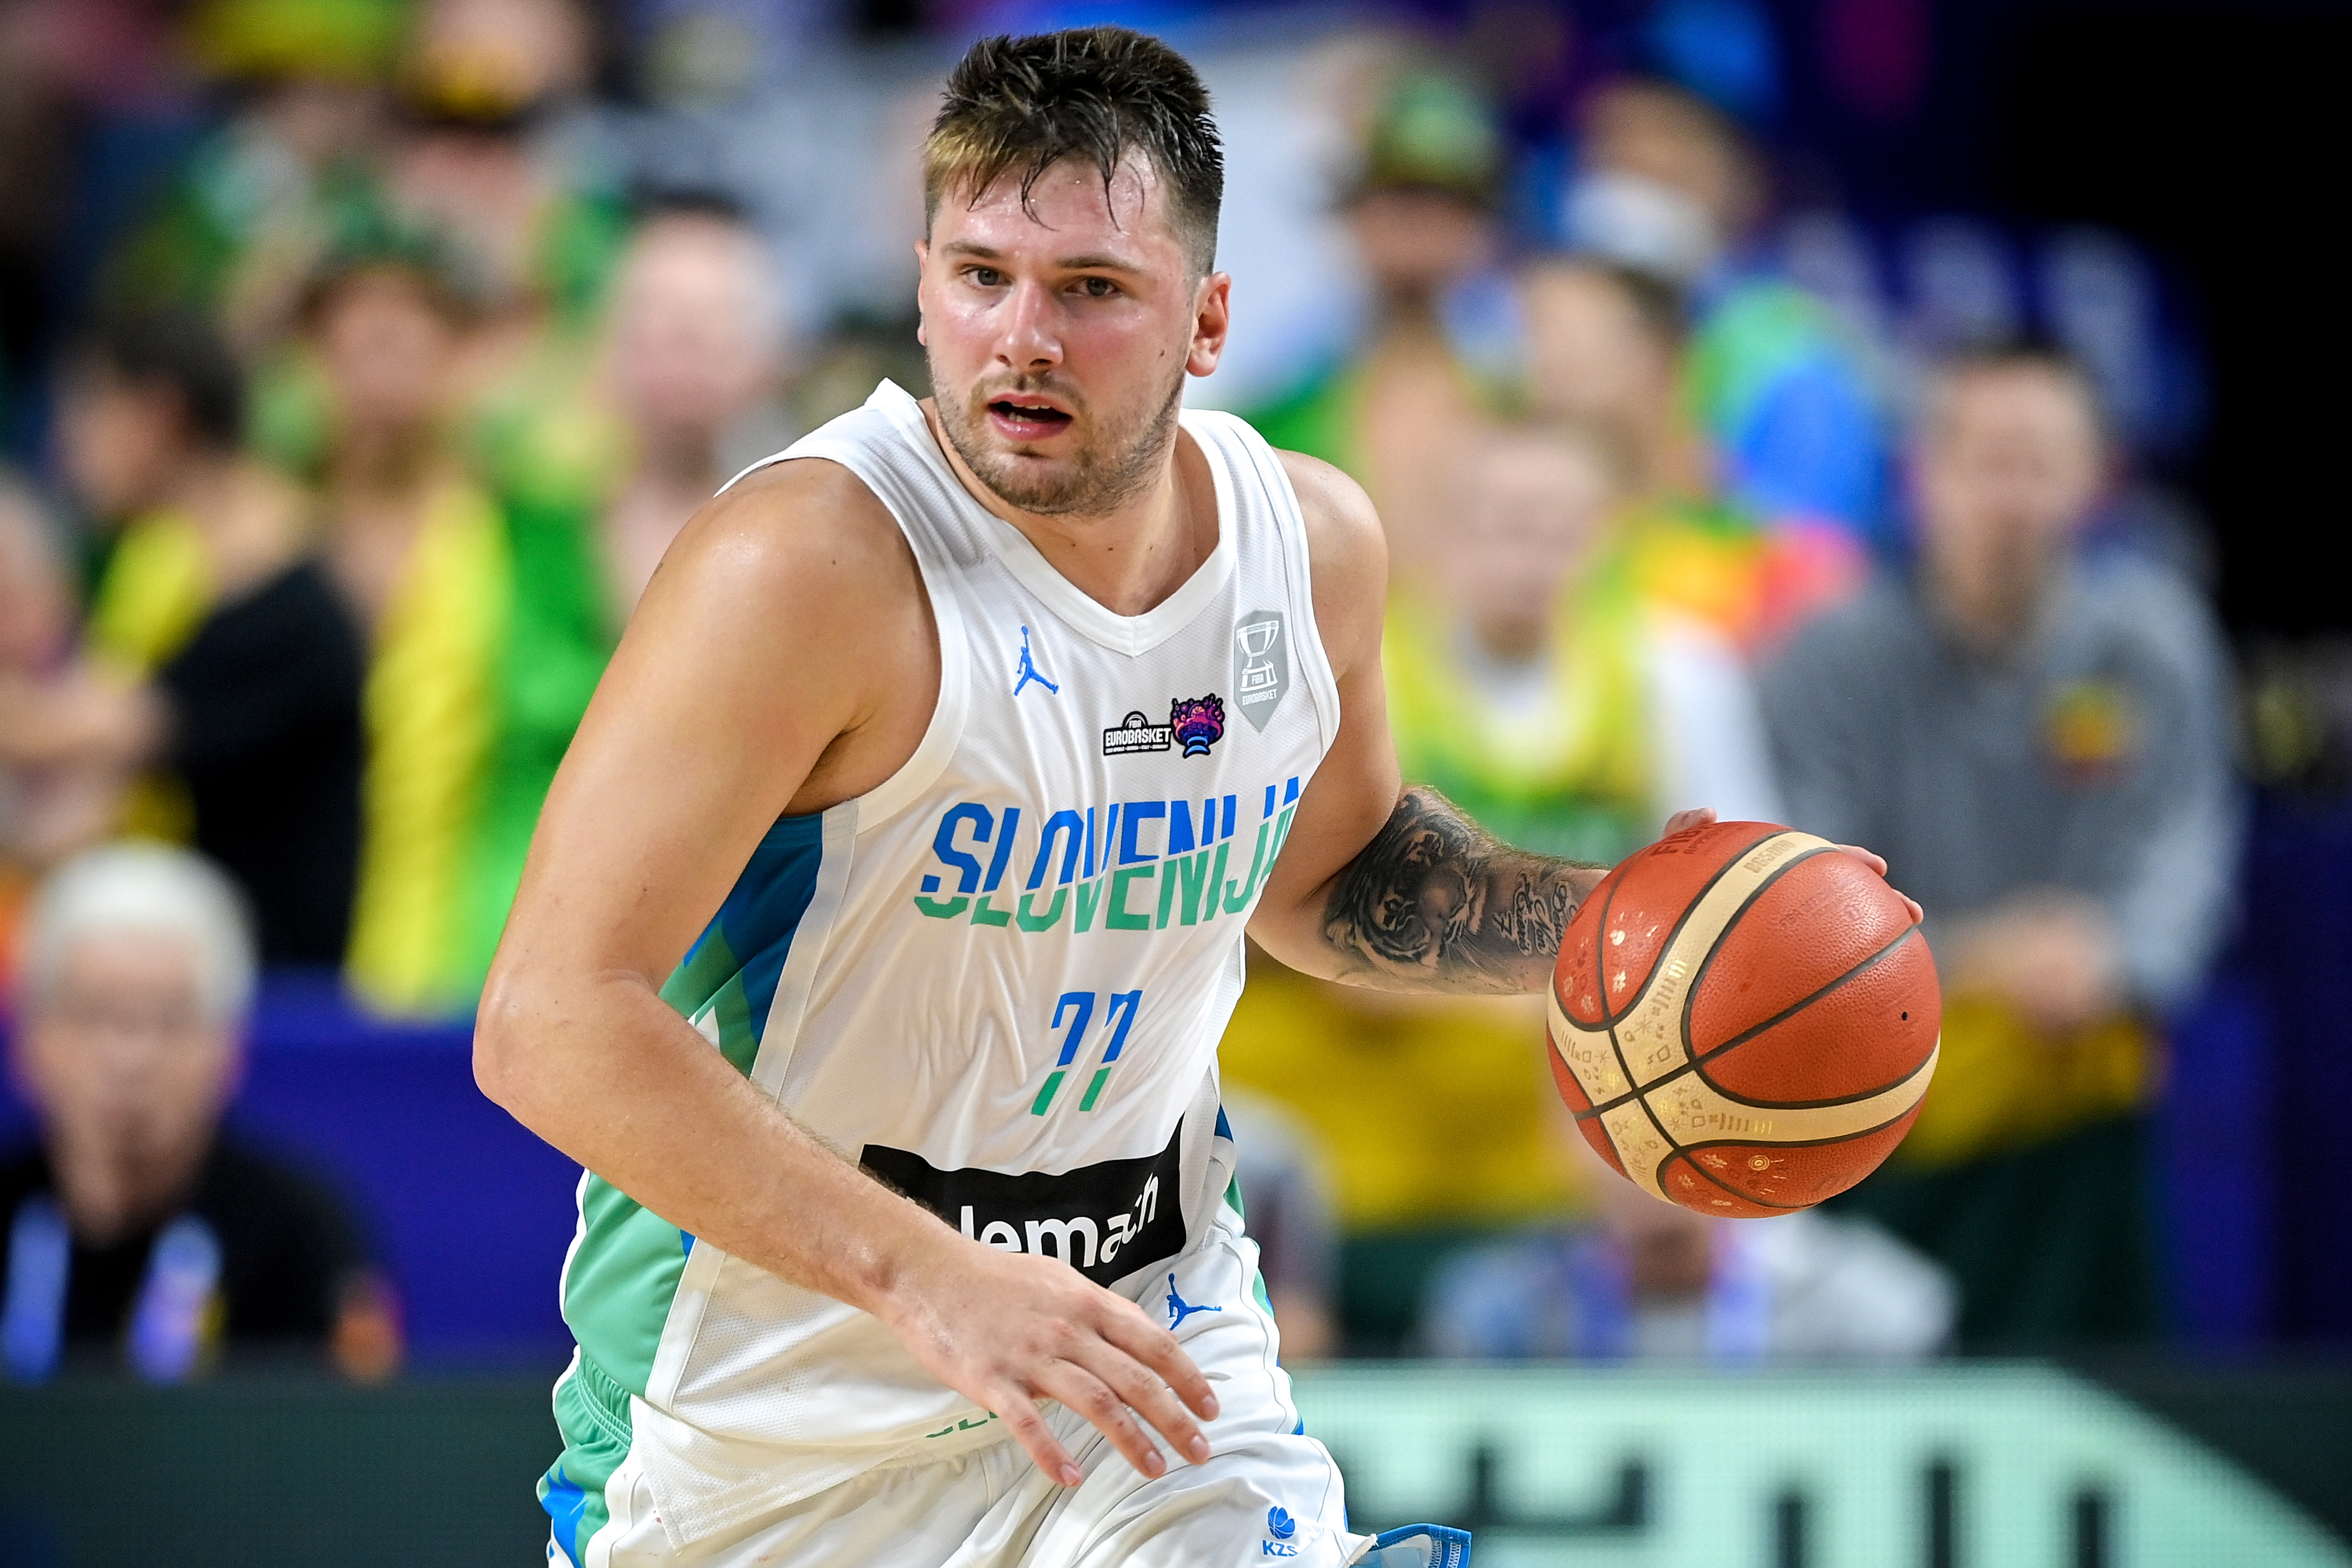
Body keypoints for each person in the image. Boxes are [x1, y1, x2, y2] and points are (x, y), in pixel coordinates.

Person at [475, 28, 1913, 1567]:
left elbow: (1336, 877)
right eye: (979, 277)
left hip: (1148, 1375)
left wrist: (1616, 924)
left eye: (1091, 289)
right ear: (921, 286)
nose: (1021, 335)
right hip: (760, 1434)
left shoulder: (1308, 549)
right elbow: (550, 1019)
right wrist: (931, 1280)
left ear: (1209, 318)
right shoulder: (804, 570)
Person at [1218, 418, 1783, 1350]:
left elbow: (1737, 912)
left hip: (1557, 1141)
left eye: (1557, 527)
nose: (1527, 554)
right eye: (1500, 523)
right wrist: (1545, 986)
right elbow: (1289, 911)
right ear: (1439, 534)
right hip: (1352, 1130)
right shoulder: (1353, 668)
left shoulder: (1676, 674)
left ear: (1611, 534)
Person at [1759, 345, 2236, 1347]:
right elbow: (1798, 901)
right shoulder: (1827, 657)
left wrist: (2112, 956)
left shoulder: (2156, 641)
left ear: (2096, 481)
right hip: (1878, 1104)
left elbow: (2185, 854)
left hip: (2080, 1082)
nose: (2006, 498)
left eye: (2036, 463)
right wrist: (1981, 959)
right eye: (1980, 460)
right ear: (1920, 477)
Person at [0, 313, 364, 969]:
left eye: (85, 411)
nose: (66, 444)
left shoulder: (287, 613)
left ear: (157, 415)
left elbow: (75, 730)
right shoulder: (201, 588)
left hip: (289, 1005)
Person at [0, 843, 399, 1382]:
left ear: (229, 1051)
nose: (130, 1056)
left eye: (168, 1020)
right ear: (32, 1041)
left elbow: (356, 1440)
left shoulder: (300, 1235)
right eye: (95, 1014)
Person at [1564, 78, 1887, 550]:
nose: (1637, 165)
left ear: (1740, 178)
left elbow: (1811, 566)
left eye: (1671, 142)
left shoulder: (1790, 361)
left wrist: (1691, 491)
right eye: (1615, 144)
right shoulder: (1526, 318)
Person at [1247, 69, 1508, 581]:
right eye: (1398, 200)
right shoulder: (1276, 415)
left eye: (1448, 205)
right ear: (1351, 218)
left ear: (1482, 227)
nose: (1420, 228)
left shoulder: (1531, 398)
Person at [1423, 1124, 1953, 1362]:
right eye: (1595, 1110)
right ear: (1549, 1133)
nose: (1637, 1147)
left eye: (1676, 1110)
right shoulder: (1492, 1313)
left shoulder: (1866, 1308)